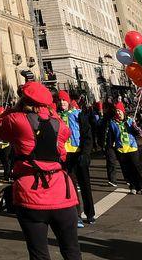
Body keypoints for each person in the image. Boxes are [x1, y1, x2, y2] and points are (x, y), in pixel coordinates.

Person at [0, 81, 81, 260]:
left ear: (24, 100)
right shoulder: (59, 124)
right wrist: (50, 111)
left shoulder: (17, 120)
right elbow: (62, 152)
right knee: (72, 251)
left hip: (30, 194)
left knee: (38, 253)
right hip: (61, 193)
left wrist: (13, 109)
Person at [56, 91, 95, 226]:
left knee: (85, 186)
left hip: (79, 154)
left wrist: (85, 153)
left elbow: (87, 135)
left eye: (64, 100)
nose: (62, 103)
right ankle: (77, 215)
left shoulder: (79, 114)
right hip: (65, 155)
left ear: (68, 101)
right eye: (60, 101)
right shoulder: (56, 117)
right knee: (71, 187)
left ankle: (90, 214)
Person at [107, 104, 142, 194]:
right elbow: (111, 137)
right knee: (126, 170)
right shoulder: (113, 123)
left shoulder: (130, 121)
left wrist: (134, 127)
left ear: (123, 111)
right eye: (117, 111)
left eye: (119, 111)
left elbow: (138, 133)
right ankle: (132, 186)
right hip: (121, 150)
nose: (118, 113)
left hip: (132, 148)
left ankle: (141, 185)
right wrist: (109, 149)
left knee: (136, 167)